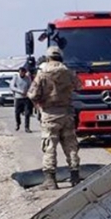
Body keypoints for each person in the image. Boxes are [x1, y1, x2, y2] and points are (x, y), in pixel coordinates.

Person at [28, 46, 82, 190]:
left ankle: (50, 181)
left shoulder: (42, 73)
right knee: (71, 146)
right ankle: (75, 177)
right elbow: (79, 86)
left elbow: (32, 94)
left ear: (48, 57)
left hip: (50, 114)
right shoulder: (68, 72)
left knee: (49, 147)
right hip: (67, 113)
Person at [11, 66, 33, 132]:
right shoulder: (16, 78)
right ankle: (18, 123)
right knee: (17, 113)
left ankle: (27, 127)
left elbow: (31, 86)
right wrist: (20, 91)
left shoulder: (28, 78)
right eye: (20, 72)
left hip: (26, 98)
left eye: (23, 72)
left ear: (25, 72)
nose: (21, 74)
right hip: (18, 98)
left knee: (27, 113)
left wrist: (28, 92)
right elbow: (12, 87)